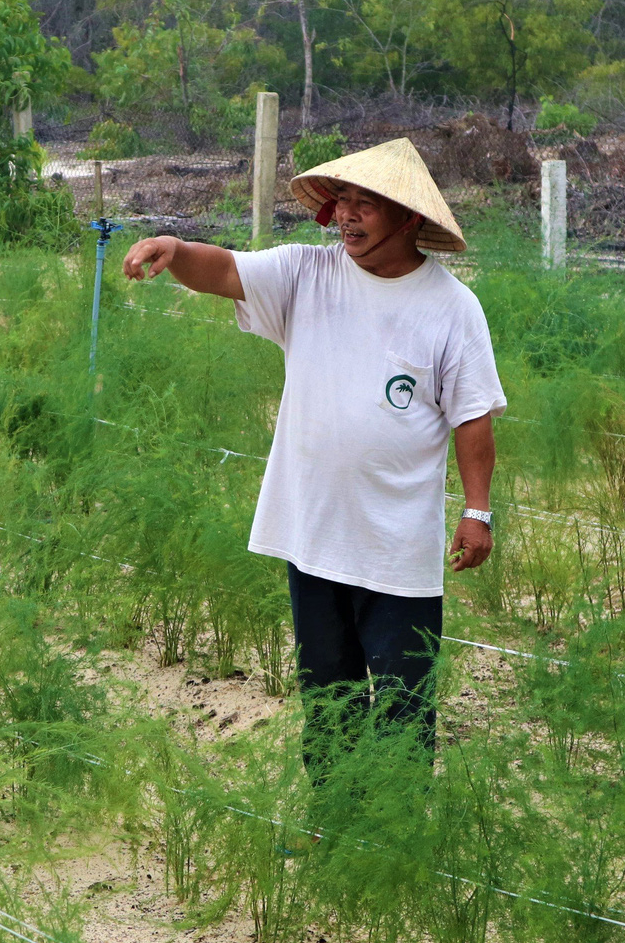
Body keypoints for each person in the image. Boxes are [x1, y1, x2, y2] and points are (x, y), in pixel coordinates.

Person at [121, 137, 504, 769]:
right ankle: (333, 828)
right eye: (342, 201)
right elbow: (224, 270)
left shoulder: (453, 310)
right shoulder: (308, 273)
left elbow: (473, 420)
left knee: (405, 707)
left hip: (397, 552)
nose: (348, 215)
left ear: (410, 217)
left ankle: (395, 845)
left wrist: (478, 511)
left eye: (366, 205)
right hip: (315, 537)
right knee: (328, 699)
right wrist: (175, 249)